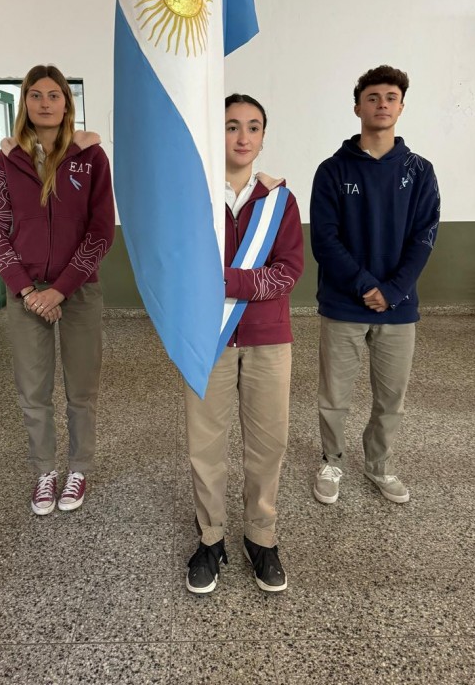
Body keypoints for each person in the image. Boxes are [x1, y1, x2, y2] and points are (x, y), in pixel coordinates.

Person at [184, 93, 304, 594]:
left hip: (268, 339)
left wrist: (227, 282)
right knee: (204, 444)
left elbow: (288, 272)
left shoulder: (280, 200)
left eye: (253, 127)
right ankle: (210, 537)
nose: (242, 136)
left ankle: (261, 535)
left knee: (268, 443)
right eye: (232, 125)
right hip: (206, 339)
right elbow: (183, 267)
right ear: (220, 133)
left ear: (262, 137)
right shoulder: (196, 194)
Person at [0, 64, 114, 515]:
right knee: (33, 390)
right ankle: (44, 471)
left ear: (66, 102)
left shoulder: (91, 158)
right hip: (25, 295)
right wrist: (25, 290)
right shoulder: (6, 161)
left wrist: (59, 290)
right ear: (25, 103)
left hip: (77, 290)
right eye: (35, 95)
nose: (45, 103)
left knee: (81, 388)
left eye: (54, 95)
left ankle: (78, 468)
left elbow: (100, 231)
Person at [310, 65, 440, 505]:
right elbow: (324, 240)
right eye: (373, 97)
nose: (382, 104)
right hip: (343, 304)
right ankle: (331, 462)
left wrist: (393, 290)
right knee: (335, 395)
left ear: (401, 107)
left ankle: (379, 466)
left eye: (390, 97)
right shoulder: (331, 170)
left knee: (391, 397)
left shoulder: (420, 171)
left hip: (398, 307)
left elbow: (424, 236)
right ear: (357, 107)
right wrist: (367, 285)